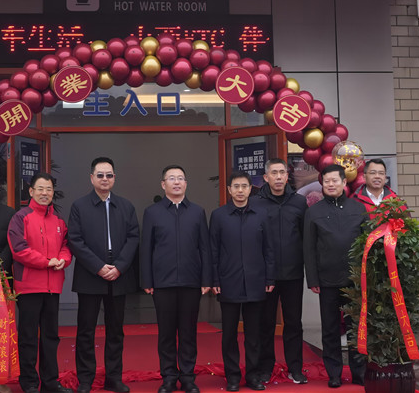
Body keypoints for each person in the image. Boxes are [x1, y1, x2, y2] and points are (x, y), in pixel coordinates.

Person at [67, 157, 140, 393]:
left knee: (116, 330)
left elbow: (133, 238)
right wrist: (99, 267)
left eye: (109, 175)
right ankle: (86, 379)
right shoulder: (79, 206)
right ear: (91, 178)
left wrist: (119, 266)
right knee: (86, 330)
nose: (105, 179)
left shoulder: (126, 206)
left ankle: (114, 377)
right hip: (91, 273)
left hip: (119, 273)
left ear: (114, 178)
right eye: (100, 175)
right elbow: (75, 240)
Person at [141, 165, 212, 393]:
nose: (177, 182)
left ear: (186, 183)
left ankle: (188, 377)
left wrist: (206, 279)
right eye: (172, 178)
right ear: (163, 184)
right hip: (163, 283)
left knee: (189, 332)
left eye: (181, 178)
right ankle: (169, 377)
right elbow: (146, 249)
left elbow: (205, 248)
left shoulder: (197, 212)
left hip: (191, 282)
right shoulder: (152, 212)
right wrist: (147, 280)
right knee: (166, 333)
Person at [8, 173, 73, 393]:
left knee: (50, 336)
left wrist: (63, 260)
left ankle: (50, 382)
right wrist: (46, 262)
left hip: (53, 286)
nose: (45, 193)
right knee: (28, 337)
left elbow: (66, 246)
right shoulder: (21, 217)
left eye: (49, 189)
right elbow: (19, 250)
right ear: (31, 191)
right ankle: (29, 382)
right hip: (28, 287)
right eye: (41, 188)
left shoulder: (58, 221)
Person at [303, 164, 367, 388]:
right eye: (326, 181)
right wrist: (312, 279)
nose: (330, 184)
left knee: (356, 327)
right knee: (330, 329)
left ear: (344, 182)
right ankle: (334, 374)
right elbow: (309, 248)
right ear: (322, 183)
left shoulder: (358, 209)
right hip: (327, 280)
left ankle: (359, 372)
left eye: (335, 180)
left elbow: (366, 246)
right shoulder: (313, 211)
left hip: (354, 281)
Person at [211, 171, 275, 392]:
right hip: (228, 282)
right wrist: (214, 279)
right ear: (229, 190)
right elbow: (213, 251)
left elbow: (269, 249)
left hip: (256, 282)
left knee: (254, 334)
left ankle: (253, 375)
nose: (240, 191)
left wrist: (269, 277)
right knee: (228, 334)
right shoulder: (218, 216)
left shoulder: (262, 214)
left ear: (250, 189)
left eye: (244, 186)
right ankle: (232, 377)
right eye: (235, 186)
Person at [251, 158, 309, 385]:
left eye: (281, 172)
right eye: (273, 173)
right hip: (266, 275)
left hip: (293, 273)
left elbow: (305, 238)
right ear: (265, 177)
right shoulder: (256, 203)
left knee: (294, 323)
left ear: (287, 176)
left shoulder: (299, 203)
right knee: (265, 324)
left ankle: (296, 368)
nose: (277, 177)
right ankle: (266, 368)